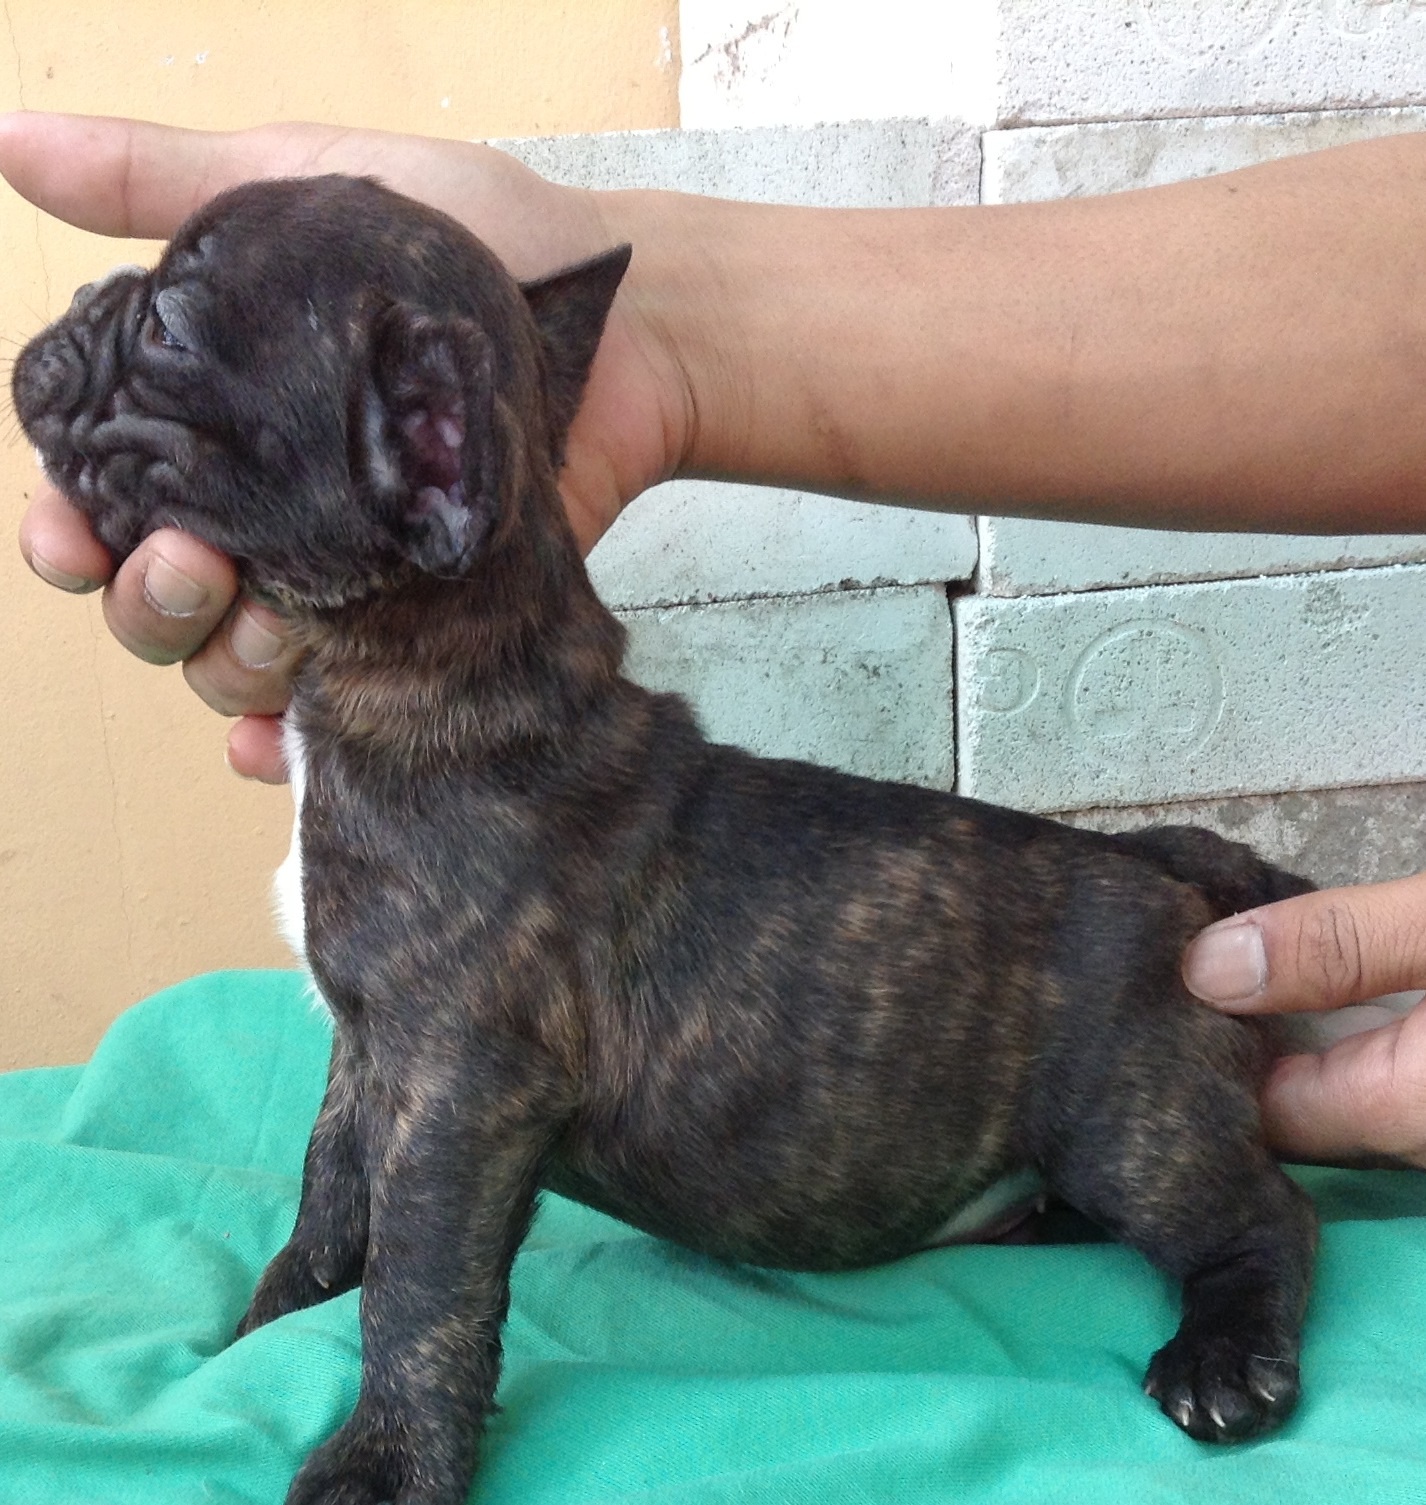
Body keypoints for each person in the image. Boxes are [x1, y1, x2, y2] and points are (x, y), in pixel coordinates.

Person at [5, 110, 1426, 1169]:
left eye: (172, 327)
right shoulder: (439, 769)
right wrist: (663, 328)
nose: (93, 313)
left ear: (433, 461)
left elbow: (459, 1081)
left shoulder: (499, 834)